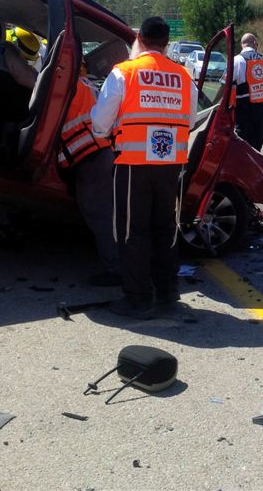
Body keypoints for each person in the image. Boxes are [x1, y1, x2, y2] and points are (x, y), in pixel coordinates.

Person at [90, 17, 197, 318]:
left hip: (133, 165)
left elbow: (100, 124)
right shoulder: (183, 75)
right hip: (172, 166)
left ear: (139, 38)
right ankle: (167, 291)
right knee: (166, 229)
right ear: (166, 42)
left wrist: (106, 130)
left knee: (132, 232)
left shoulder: (124, 72)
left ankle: (138, 299)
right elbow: (189, 121)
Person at [58, 61, 119, 286]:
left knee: (101, 216)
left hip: (89, 156)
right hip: (97, 152)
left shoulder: (69, 87)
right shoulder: (88, 85)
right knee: (104, 213)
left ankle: (116, 270)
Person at [232, 32, 263, 151]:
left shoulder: (237, 61)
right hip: (261, 111)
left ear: (242, 45)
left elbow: (226, 85)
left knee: (243, 148)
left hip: (243, 111)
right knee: (257, 147)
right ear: (254, 43)